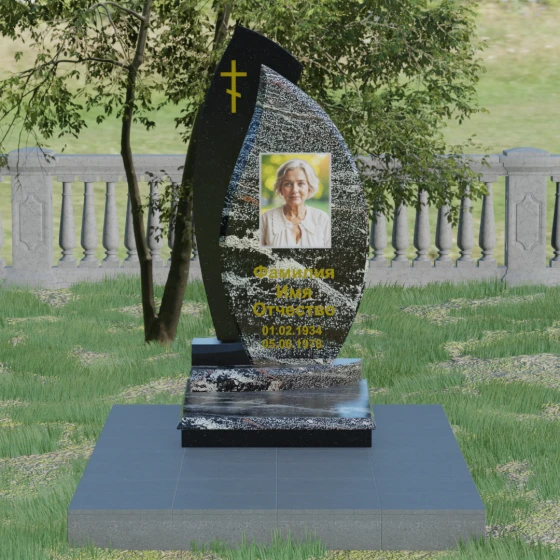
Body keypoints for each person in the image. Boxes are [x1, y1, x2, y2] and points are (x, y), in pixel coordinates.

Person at [260, 158, 331, 248]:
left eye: (301, 183)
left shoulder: (322, 219)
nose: (294, 190)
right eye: (288, 184)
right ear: (280, 188)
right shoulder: (266, 219)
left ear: (309, 187)